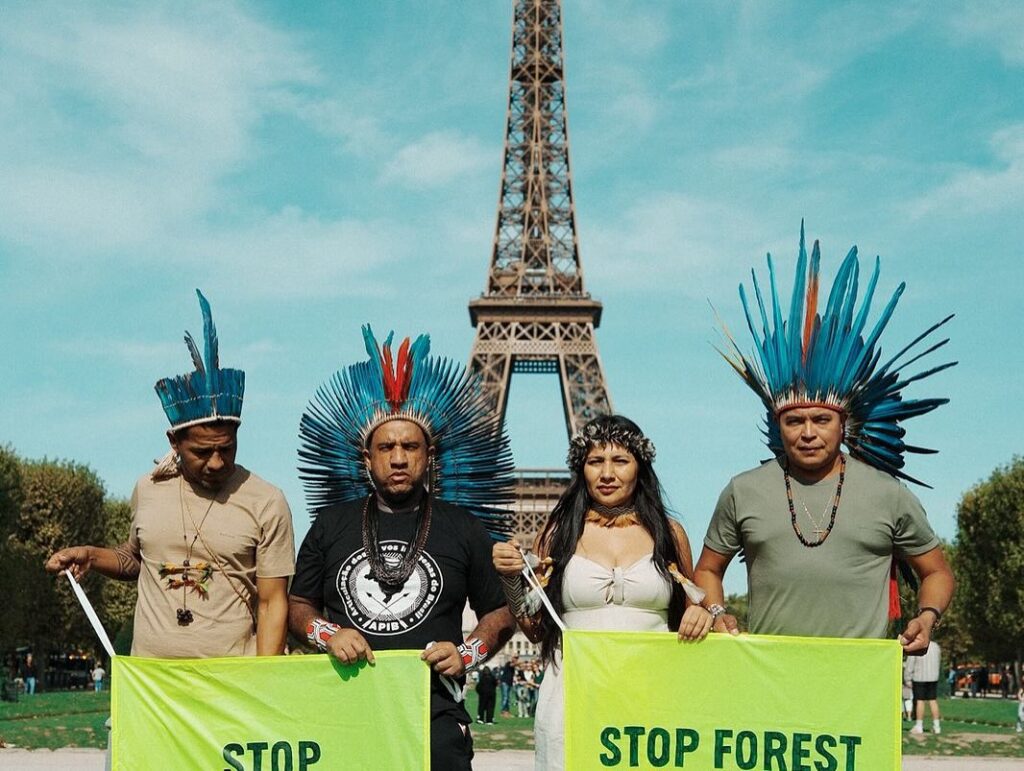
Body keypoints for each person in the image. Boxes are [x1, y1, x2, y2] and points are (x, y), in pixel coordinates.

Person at [695, 226, 955, 650]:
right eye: (794, 421)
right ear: (778, 426)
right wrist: (717, 612)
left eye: (821, 419)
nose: (808, 432)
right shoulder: (742, 491)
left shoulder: (888, 494)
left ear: (843, 425)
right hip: (769, 674)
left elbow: (937, 571)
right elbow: (707, 569)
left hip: (859, 677)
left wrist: (927, 617)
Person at [288, 326, 517, 771]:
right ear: (367, 458)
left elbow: (499, 613)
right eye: (386, 447)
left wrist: (466, 653)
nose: (398, 458)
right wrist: (329, 635)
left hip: (435, 710)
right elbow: (298, 605)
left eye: (410, 446)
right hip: (348, 706)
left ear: (428, 454)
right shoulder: (331, 524)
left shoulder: (463, 526)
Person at [46, 290, 295, 658]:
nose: (216, 462)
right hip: (153, 680)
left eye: (227, 448)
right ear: (174, 442)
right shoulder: (147, 488)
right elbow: (138, 558)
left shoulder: (267, 501)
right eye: (202, 452)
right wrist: (91, 556)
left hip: (229, 680)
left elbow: (273, 603)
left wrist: (262, 681)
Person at [493, 414, 714, 770]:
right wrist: (509, 579)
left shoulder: (670, 534)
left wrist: (702, 613)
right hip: (573, 691)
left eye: (620, 460)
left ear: (640, 466)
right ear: (581, 468)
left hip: (651, 691)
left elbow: (695, 607)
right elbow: (534, 630)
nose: (607, 473)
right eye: (595, 461)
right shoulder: (556, 534)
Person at [907, 640, 942, 734]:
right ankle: (937, 726)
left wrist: (907, 677)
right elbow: (939, 660)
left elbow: (910, 663)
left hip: (919, 677)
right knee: (933, 700)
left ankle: (919, 726)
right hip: (933, 677)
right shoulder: (936, 646)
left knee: (920, 701)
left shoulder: (916, 645)